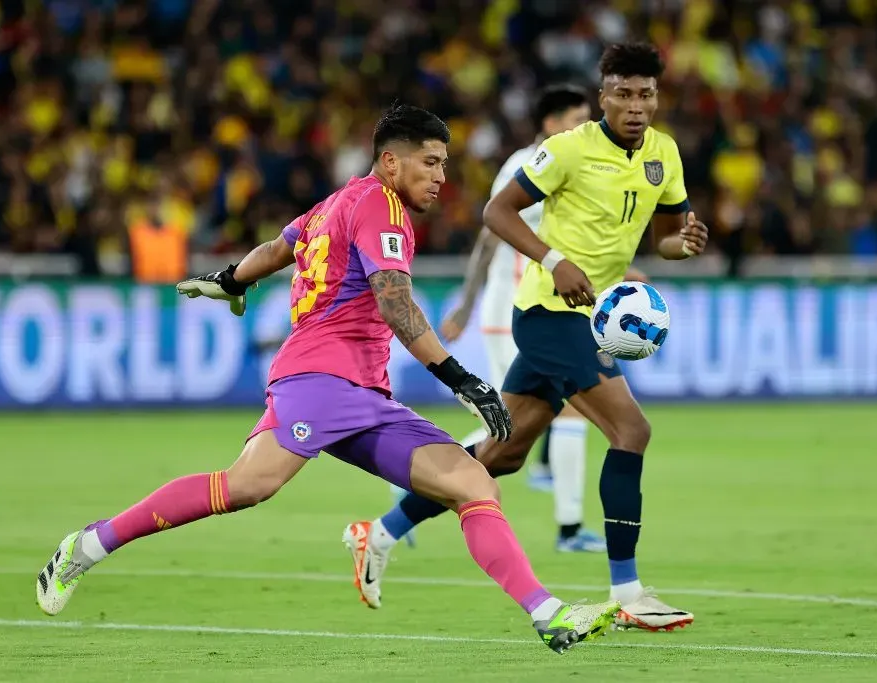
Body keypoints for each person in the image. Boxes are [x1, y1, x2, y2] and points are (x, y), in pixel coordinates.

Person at [34, 104, 619, 653]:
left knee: (473, 484)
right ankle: (86, 545)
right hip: (322, 379)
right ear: (392, 161)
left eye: (445, 163)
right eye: (431, 161)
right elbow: (397, 305)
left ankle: (549, 614)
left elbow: (275, 248)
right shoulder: (381, 208)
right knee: (248, 487)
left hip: (357, 390)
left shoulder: (335, 203)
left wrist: (232, 279)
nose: (443, 176)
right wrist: (460, 378)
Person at [344, 44, 708, 633]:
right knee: (631, 430)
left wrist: (682, 244)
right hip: (547, 313)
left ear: (656, 97)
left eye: (646, 94)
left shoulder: (663, 155)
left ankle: (379, 532)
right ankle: (630, 593)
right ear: (603, 95)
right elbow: (497, 212)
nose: (635, 105)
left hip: (590, 317)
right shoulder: (565, 150)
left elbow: (665, 236)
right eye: (623, 93)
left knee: (503, 453)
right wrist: (554, 258)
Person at [437, 84, 649, 553]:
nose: (586, 126)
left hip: (556, 310)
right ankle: (421, 477)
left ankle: (569, 526)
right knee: (507, 428)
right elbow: (491, 236)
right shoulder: (521, 166)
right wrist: (468, 305)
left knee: (534, 422)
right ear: (550, 123)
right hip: (513, 308)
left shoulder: (579, 162)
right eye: (576, 118)